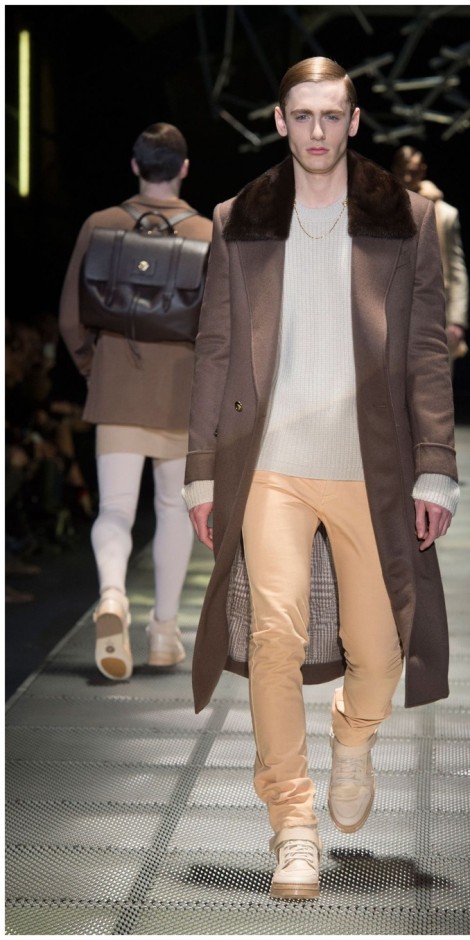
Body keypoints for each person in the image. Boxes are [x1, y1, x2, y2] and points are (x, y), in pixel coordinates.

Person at [182, 58, 459, 901]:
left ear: (354, 121)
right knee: (275, 638)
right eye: (300, 116)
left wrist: (436, 467)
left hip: (371, 466)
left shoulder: (407, 219)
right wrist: (201, 472)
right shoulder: (239, 219)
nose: (315, 131)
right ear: (278, 121)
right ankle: (292, 827)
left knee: (380, 650)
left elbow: (425, 352)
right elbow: (215, 349)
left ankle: (353, 734)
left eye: (330, 116)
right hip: (268, 464)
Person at [59, 122, 212, 681]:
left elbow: (71, 317)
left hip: (117, 381)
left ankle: (112, 595)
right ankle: (164, 634)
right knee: (174, 509)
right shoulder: (207, 233)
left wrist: (93, 369)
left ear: (134, 165)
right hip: (180, 389)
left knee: (115, 510)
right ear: (184, 168)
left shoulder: (101, 223)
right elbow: (220, 328)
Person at [391, 145, 468, 362]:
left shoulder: (445, 214)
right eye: (402, 171)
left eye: (412, 171)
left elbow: (456, 268)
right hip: (394, 310)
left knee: (435, 375)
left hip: (434, 311)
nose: (407, 177)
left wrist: (457, 320)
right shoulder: (383, 211)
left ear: (422, 170)